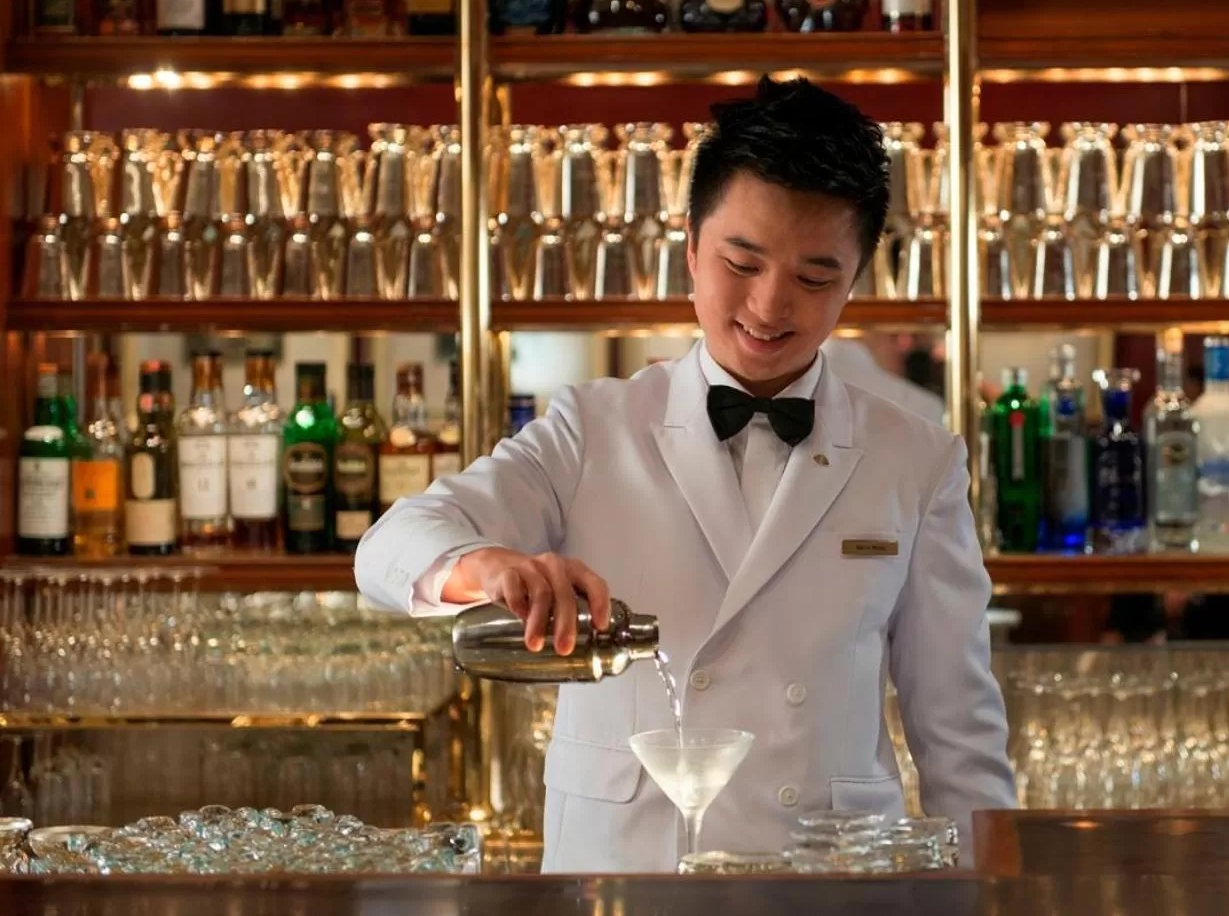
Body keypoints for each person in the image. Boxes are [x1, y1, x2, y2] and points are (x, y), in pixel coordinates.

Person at [355, 76, 1016, 872]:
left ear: (855, 278)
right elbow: (387, 548)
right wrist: (486, 566)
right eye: (742, 262)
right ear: (691, 247)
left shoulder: (916, 458)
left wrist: (994, 889)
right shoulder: (591, 428)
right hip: (622, 873)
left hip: (827, 880)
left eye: (814, 279)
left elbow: (958, 725)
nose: (769, 307)